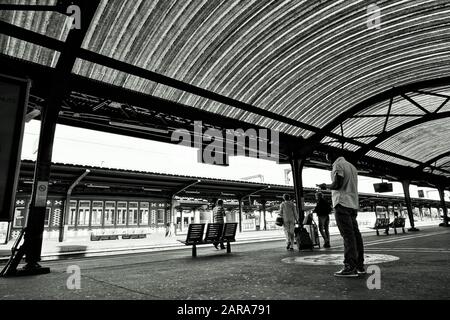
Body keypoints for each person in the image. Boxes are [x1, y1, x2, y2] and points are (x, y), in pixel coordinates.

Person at [318, 150, 365, 277]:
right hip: (352, 204)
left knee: (348, 236)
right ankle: (360, 265)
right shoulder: (352, 167)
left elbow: (337, 184)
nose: (328, 161)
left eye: (327, 158)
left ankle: (349, 267)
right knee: (356, 235)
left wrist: (325, 186)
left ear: (333, 156)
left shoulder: (337, 165)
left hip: (342, 204)